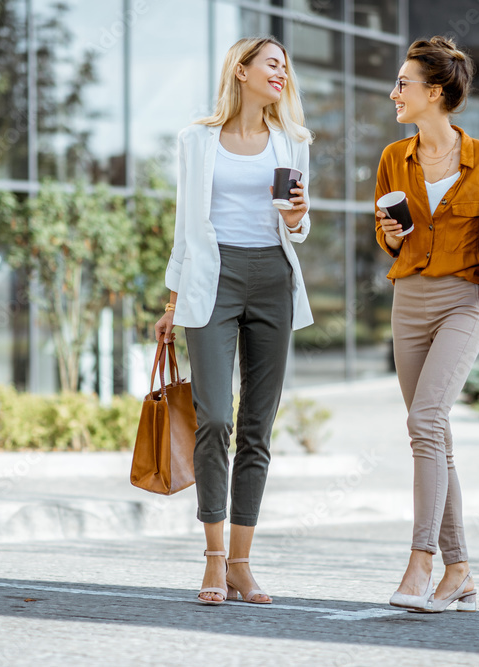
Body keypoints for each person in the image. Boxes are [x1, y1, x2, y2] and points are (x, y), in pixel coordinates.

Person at [154, 37, 314, 606]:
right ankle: (214, 560)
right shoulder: (195, 140)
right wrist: (173, 303)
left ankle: (242, 566)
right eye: (272, 63)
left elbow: (299, 225)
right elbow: (183, 225)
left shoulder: (293, 140)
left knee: (257, 429)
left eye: (285, 67)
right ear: (242, 70)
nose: (282, 72)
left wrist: (297, 217)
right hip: (211, 283)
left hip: (273, 279)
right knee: (215, 418)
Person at [374, 36, 479, 613]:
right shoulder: (393, 158)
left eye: (403, 84)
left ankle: (421, 561)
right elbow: (385, 235)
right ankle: (460, 572)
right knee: (436, 437)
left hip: (464, 300)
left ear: (435, 92)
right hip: (408, 302)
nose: (394, 92)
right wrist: (388, 236)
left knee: (425, 420)